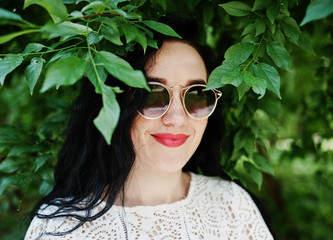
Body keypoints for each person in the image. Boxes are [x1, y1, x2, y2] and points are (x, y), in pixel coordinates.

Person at [25, 17, 274, 240]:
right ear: (115, 102)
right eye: (153, 94)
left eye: (197, 95)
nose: (177, 118)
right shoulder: (57, 228)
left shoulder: (233, 205)